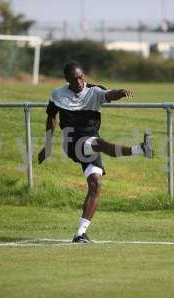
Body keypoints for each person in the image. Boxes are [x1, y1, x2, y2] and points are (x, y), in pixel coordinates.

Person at [38, 61, 153, 243]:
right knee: (98, 143)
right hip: (72, 143)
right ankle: (140, 150)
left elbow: (109, 94)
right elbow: (51, 118)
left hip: (90, 143)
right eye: (75, 78)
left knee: (95, 184)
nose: (80, 81)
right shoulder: (57, 95)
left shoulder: (94, 91)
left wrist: (121, 93)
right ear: (67, 80)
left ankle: (80, 234)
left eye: (82, 76)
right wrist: (48, 145)